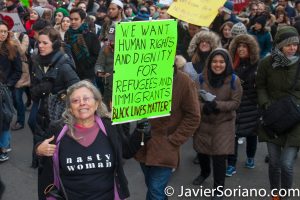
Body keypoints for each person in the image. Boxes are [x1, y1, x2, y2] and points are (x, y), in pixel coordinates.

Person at [36, 80, 146, 200]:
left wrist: (141, 131)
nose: (82, 103)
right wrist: (39, 149)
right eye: (75, 101)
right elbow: (40, 153)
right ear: (70, 108)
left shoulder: (109, 127)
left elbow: (127, 151)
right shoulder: (57, 129)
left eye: (86, 98)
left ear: (97, 103)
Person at [135, 67, 201, 200]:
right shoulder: (140, 74)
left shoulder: (184, 81)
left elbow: (194, 116)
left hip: (165, 146)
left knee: (155, 191)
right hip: (143, 143)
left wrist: (174, 140)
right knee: (153, 187)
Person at [30, 27, 80, 198]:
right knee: (43, 163)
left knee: (58, 165)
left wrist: (60, 95)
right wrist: (41, 89)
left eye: (45, 43)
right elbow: (32, 90)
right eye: (39, 42)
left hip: (60, 124)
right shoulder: (36, 60)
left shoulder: (64, 65)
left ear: (55, 44)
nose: (41, 46)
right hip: (41, 120)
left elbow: (78, 93)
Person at [256, 26, 300, 200]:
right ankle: (275, 193)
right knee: (274, 163)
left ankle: (285, 195)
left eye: (295, 44)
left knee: (286, 164)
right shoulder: (267, 63)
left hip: (296, 118)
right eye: (289, 45)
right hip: (273, 117)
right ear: (280, 45)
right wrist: (266, 104)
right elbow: (260, 86)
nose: (293, 48)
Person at [192, 48, 242, 200]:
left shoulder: (234, 80)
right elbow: (193, 101)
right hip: (204, 122)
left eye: (221, 62)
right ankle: (204, 172)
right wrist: (203, 107)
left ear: (226, 63)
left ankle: (219, 188)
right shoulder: (200, 79)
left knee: (219, 157)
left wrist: (217, 105)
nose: (218, 65)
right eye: (214, 61)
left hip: (224, 123)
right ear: (209, 63)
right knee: (202, 152)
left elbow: (235, 103)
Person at [226, 34, 260, 177]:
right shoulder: (232, 63)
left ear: (250, 48)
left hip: (252, 104)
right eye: (238, 46)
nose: (241, 49)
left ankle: (250, 157)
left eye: (244, 46)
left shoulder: (258, 64)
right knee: (233, 134)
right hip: (235, 104)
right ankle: (231, 164)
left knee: (252, 134)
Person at [0, 19, 22, 161]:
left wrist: (8, 84)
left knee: (5, 118)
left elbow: (18, 71)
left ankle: (3, 147)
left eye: (4, 31)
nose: (2, 34)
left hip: (5, 90)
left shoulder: (12, 48)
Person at [64, 8, 100, 81]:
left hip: (87, 75)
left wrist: (86, 65)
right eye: (71, 19)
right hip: (71, 74)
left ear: (82, 20)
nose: (73, 22)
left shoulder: (91, 36)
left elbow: (96, 55)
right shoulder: (67, 35)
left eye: (76, 19)